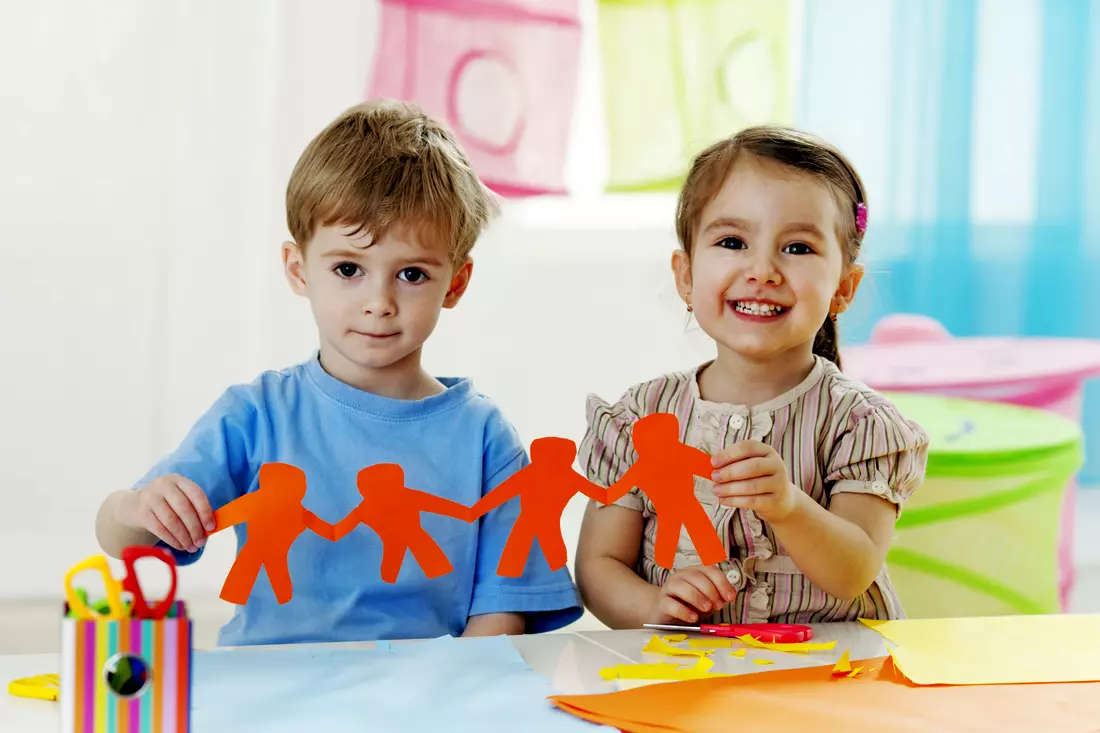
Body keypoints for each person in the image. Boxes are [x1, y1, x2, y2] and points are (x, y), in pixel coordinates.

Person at [94, 99, 583, 645]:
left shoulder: (485, 436)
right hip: (268, 690)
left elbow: (501, 616)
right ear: (298, 270)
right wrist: (139, 508)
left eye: (413, 274)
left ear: (457, 284)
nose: (379, 301)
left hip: (425, 699)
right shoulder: (255, 414)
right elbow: (123, 536)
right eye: (348, 268)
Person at [575, 125, 930, 629]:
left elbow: (855, 572)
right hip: (688, 673)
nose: (762, 269)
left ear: (843, 289)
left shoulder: (860, 425)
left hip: (829, 676)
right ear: (686, 275)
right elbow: (598, 565)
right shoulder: (639, 418)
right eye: (732, 241)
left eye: (799, 248)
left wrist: (789, 507)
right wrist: (653, 606)